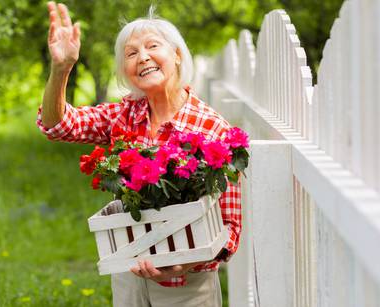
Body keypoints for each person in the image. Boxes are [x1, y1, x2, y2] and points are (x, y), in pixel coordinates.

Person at [37, 2, 242, 306]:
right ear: (126, 71)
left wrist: (185, 262)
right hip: (129, 273)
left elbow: (230, 226)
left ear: (176, 54)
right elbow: (58, 126)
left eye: (152, 46)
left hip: (188, 286)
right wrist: (61, 69)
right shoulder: (125, 114)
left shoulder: (213, 129)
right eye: (131, 54)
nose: (142, 57)